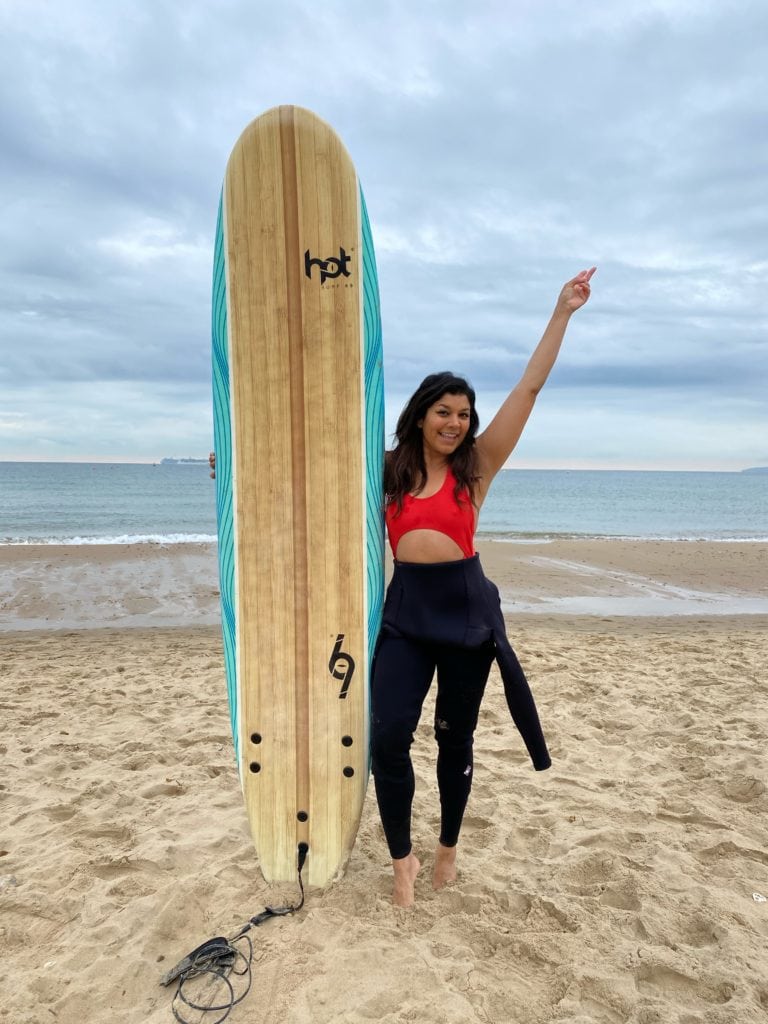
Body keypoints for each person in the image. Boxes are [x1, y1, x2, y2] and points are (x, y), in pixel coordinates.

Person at [373, 267, 595, 907]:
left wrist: (562, 312)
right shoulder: (384, 470)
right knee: (387, 736)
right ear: (421, 415)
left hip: (466, 616)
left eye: (464, 415)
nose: (454, 422)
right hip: (406, 614)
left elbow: (529, 388)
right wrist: (232, 465)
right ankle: (403, 860)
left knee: (453, 739)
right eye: (443, 412)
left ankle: (446, 846)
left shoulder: (477, 467)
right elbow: (308, 473)